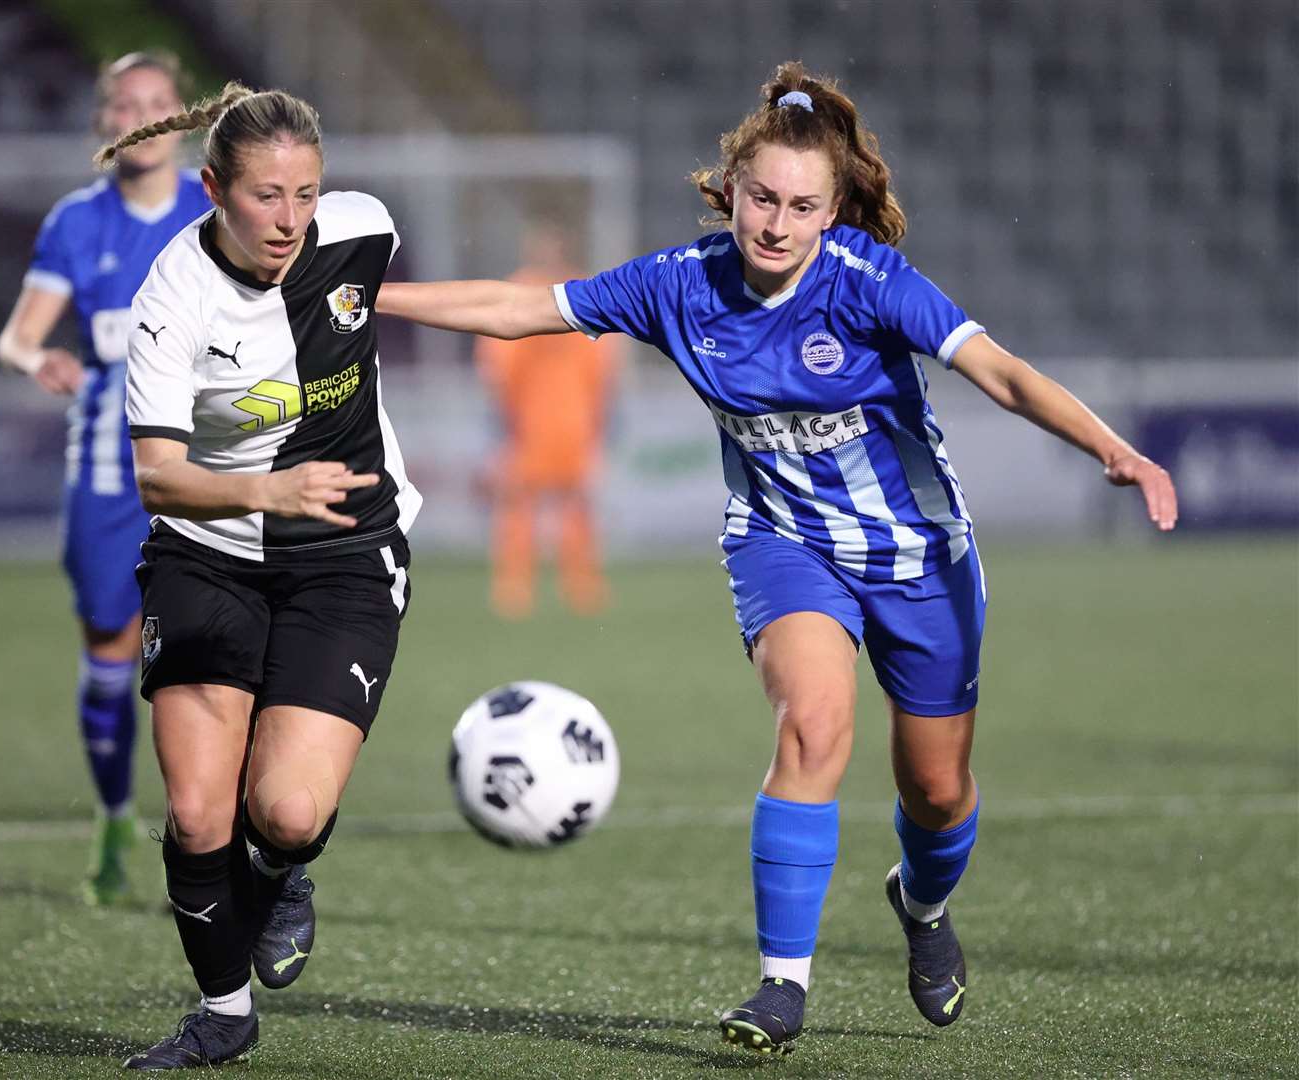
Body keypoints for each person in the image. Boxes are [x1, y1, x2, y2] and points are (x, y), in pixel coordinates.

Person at [376, 61, 1177, 1054]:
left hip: (918, 555)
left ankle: (920, 909)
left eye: (802, 205)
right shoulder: (677, 286)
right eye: (761, 198)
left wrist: (1111, 446)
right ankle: (779, 986)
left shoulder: (869, 282)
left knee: (935, 791)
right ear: (731, 190)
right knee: (811, 726)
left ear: (832, 209)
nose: (776, 222)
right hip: (781, 545)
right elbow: (516, 307)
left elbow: (999, 373)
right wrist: (368, 293)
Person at [102, 82, 420, 1069]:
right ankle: (223, 1013)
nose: (290, 220)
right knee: (198, 811)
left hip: (344, 557)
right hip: (207, 557)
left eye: (305, 194)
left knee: (284, 813)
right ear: (211, 189)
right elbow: (156, 477)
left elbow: (380, 298)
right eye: (265, 197)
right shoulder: (169, 301)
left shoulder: (360, 230)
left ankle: (282, 870)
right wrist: (266, 494)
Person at [0, 50, 213, 907]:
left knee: (212, 653)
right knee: (112, 656)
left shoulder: (212, 205)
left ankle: (206, 833)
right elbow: (16, 338)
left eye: (159, 102)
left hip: (210, 459)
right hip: (106, 471)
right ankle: (118, 813)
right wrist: (36, 357)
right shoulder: (77, 224)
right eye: (127, 103)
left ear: (182, 118)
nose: (143, 115)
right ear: (104, 121)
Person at [473, 219, 619, 617]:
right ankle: (515, 587)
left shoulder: (580, 293)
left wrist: (599, 415)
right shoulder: (520, 293)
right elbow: (498, 366)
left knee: (575, 504)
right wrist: (506, 413)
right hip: (529, 422)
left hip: (573, 421)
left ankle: (581, 585)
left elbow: (602, 367)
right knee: (519, 502)